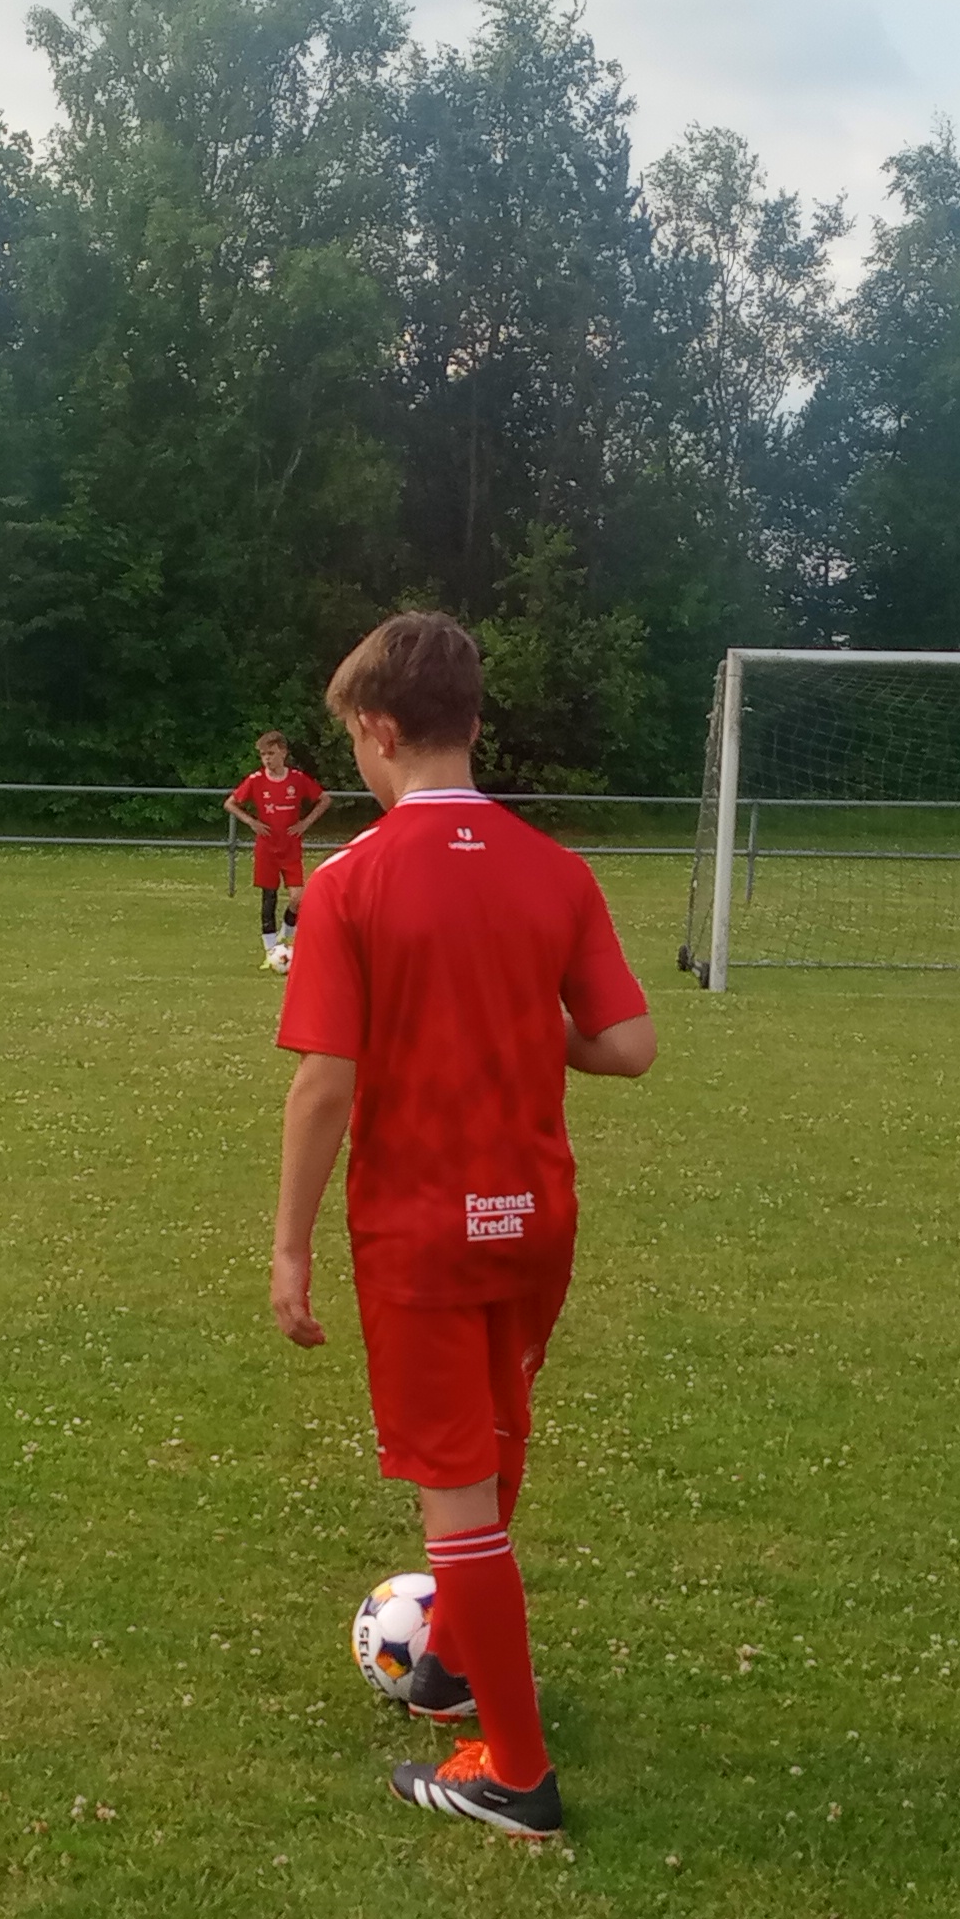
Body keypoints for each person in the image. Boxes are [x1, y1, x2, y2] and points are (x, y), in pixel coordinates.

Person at [270, 612, 656, 1839]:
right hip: (535, 1219)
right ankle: (453, 1664)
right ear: (474, 722)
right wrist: (520, 1017)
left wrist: (288, 1246)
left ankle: (515, 1776)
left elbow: (325, 1083)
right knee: (488, 1453)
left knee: (455, 1489)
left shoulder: (351, 880)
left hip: (422, 1230)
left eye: (354, 741)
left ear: (380, 730)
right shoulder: (556, 869)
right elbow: (629, 1046)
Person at [223, 730, 328, 947]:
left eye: (271, 753)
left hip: (290, 846)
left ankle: (286, 933)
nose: (267, 759)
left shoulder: (297, 779)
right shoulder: (256, 780)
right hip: (267, 847)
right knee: (269, 896)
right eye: (263, 755)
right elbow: (230, 804)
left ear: (283, 752)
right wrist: (251, 821)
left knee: (297, 897)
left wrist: (305, 823)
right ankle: (270, 947)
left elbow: (324, 800)